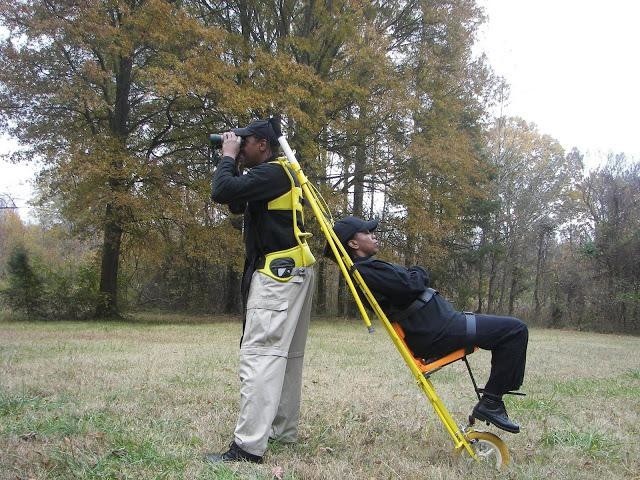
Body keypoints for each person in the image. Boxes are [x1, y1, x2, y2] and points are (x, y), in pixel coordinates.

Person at [328, 216, 528, 434]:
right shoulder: (365, 271)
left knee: (511, 329)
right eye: (367, 233)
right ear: (353, 243)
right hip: (437, 332)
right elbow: (412, 283)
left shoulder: (368, 268)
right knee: (514, 330)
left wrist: (415, 275)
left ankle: (493, 399)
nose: (374, 236)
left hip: (440, 326)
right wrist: (420, 271)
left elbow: (408, 283)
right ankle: (491, 402)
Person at [206, 118, 316, 463]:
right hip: (294, 271)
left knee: (261, 356)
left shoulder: (272, 174)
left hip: (277, 277)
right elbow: (236, 203)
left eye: (244, 142)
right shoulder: (277, 174)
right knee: (286, 359)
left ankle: (247, 448)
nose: (239, 146)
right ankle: (281, 431)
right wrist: (235, 162)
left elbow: (221, 191)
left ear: (263, 145)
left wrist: (227, 156)